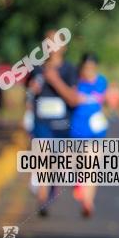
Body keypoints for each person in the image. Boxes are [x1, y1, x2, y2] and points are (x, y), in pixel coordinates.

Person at [43, 52, 109, 217]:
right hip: (73, 134)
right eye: (86, 68)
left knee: (91, 168)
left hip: (95, 135)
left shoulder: (101, 82)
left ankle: (88, 203)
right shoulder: (75, 82)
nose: (89, 71)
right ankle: (62, 189)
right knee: (64, 169)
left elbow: (106, 101)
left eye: (92, 68)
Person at [27, 29, 78, 216]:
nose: (51, 47)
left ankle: (50, 190)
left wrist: (55, 81)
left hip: (61, 124)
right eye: (47, 42)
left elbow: (74, 99)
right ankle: (42, 198)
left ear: (63, 47)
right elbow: (28, 97)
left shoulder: (69, 69)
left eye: (55, 42)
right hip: (41, 123)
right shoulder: (37, 68)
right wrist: (32, 91)